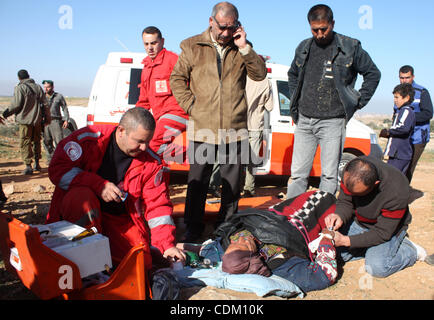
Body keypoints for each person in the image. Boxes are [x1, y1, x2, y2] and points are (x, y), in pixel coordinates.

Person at [170, 1, 267, 242]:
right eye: (221, 27)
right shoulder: (192, 46)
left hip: (235, 130)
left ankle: (226, 227)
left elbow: (260, 74)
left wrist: (244, 46)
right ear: (211, 21)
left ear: (238, 26)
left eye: (230, 28)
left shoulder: (242, 48)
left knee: (233, 186)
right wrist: (192, 106)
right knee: (197, 183)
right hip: (202, 128)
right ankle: (193, 227)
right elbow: (177, 79)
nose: (225, 33)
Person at [46, 107, 185, 266]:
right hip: (80, 214)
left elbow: (158, 207)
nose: (144, 148)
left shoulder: (151, 163)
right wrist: (98, 185)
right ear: (121, 131)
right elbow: (58, 170)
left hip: (117, 220)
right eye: (139, 141)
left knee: (141, 265)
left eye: (147, 141)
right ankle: (83, 264)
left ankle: (101, 263)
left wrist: (166, 245)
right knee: (81, 197)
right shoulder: (88, 140)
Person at [286, 4, 381, 199]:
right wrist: (296, 103)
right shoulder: (303, 47)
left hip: (333, 121)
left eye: (324, 29)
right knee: (297, 175)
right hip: (304, 120)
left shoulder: (350, 47)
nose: (319, 34)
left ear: (332, 24)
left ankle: (322, 214)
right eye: (315, 30)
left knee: (329, 175)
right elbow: (293, 74)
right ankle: (290, 218)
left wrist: (357, 101)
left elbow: (373, 73)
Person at [178, 190, 339, 293]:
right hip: (308, 218)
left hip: (278, 213)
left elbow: (207, 249)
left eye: (237, 241)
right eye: (244, 243)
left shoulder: (227, 246)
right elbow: (325, 274)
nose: (241, 237)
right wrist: (326, 238)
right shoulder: (283, 265)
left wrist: (180, 247)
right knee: (325, 201)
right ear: (253, 255)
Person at [325, 156, 427, 278]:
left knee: (377, 267)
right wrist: (339, 215)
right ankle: (370, 246)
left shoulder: (397, 190)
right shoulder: (351, 171)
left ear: (376, 184)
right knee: (334, 254)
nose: (352, 195)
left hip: (388, 229)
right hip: (360, 222)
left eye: (357, 194)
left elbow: (382, 233)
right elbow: (345, 201)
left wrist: (345, 241)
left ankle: (411, 251)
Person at [136, 26, 188, 164]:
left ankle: (191, 155)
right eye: (146, 44)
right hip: (160, 117)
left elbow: (190, 86)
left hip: (178, 113)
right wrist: (131, 117)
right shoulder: (146, 68)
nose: (150, 48)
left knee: (153, 143)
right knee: (145, 145)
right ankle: (160, 172)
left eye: (154, 43)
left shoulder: (173, 60)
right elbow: (144, 101)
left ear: (162, 41)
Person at [2, 70, 51, 175]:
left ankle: (28, 166)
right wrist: (47, 118)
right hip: (37, 120)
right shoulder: (38, 87)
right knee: (36, 141)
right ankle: (37, 163)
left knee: (25, 142)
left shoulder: (20, 88)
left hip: (25, 120)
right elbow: (45, 104)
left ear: (19, 78)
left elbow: (16, 105)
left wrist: (5, 114)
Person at [395, 65, 433, 183]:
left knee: (409, 168)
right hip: (402, 136)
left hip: (417, 138)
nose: (404, 80)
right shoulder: (398, 93)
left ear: (413, 77)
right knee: (398, 167)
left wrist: (409, 118)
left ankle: (404, 196)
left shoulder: (422, 92)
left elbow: (428, 113)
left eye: (407, 77)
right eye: (402, 78)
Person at [241, 74, 273, 197]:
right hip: (255, 126)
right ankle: (248, 189)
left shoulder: (242, 77)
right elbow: (270, 106)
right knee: (251, 161)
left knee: (236, 158)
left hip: (239, 124)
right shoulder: (266, 82)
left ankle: (234, 186)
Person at [380, 83, 416, 175]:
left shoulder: (406, 110)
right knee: (397, 180)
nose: (394, 100)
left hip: (400, 154)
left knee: (391, 178)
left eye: (397, 97)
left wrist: (388, 132)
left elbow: (403, 128)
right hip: (399, 154)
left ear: (406, 98)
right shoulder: (402, 111)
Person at [42, 80, 70, 164]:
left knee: (59, 141)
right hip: (45, 122)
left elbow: (64, 108)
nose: (46, 89)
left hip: (56, 121)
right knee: (47, 141)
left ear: (52, 87)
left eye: (48, 87)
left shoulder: (58, 96)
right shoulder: (41, 97)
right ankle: (50, 159)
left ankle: (61, 159)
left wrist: (66, 119)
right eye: (45, 87)